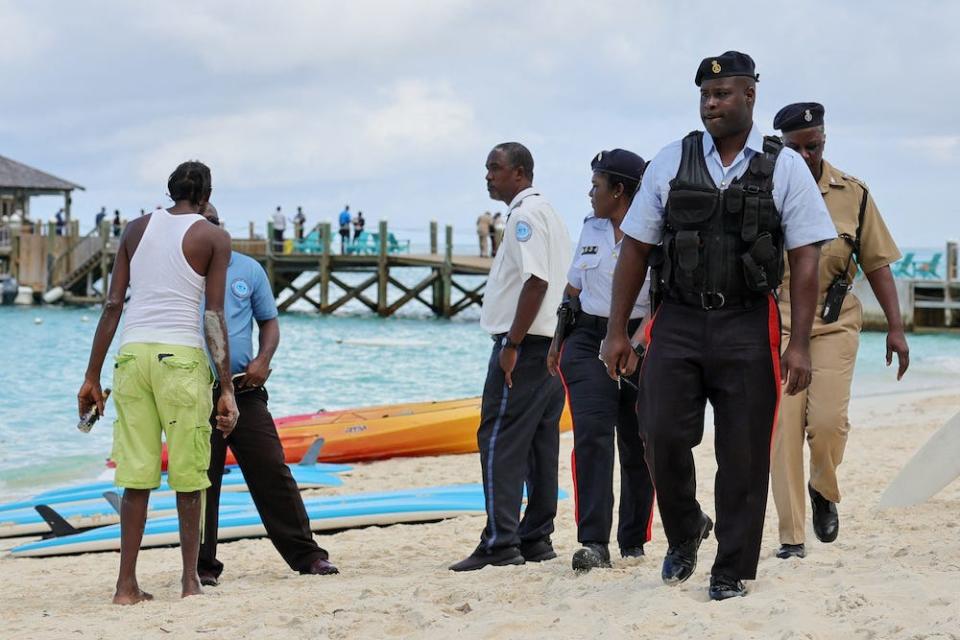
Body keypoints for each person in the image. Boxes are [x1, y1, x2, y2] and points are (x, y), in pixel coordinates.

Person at [600, 51, 836, 600]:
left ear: (750, 95)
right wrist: (616, 331)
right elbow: (635, 248)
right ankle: (685, 531)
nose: (711, 103)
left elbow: (805, 257)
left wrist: (797, 344)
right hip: (678, 320)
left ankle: (732, 569)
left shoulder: (784, 167)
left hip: (746, 323)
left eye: (723, 93)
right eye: (705, 95)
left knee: (745, 455)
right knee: (656, 430)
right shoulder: (669, 161)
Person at [76, 160, 239, 604]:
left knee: (136, 477)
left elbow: (113, 305)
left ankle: (125, 586)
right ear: (205, 195)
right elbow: (213, 315)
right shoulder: (214, 237)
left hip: (131, 358)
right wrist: (226, 386)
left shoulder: (133, 230)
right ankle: (190, 582)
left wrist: (91, 376)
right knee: (189, 475)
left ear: (170, 192)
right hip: (181, 360)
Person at [770, 103, 909, 560]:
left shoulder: (853, 194)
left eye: (815, 146)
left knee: (827, 423)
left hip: (833, 322)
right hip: (780, 319)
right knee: (783, 431)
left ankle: (822, 488)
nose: (807, 156)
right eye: (796, 148)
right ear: (780, 147)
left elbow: (877, 264)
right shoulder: (761, 189)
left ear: (824, 141)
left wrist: (896, 327)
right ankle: (791, 537)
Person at [197, 204, 338, 585]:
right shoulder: (183, 271)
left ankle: (308, 556)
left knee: (272, 470)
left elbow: (269, 321)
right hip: (194, 389)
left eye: (213, 223)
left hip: (245, 386)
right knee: (202, 477)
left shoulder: (247, 269)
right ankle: (203, 567)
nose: (209, 230)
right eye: (201, 224)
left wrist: (263, 358)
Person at [449, 142, 571, 572]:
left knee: (498, 439)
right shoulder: (550, 212)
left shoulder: (523, 216)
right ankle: (535, 536)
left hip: (527, 344)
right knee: (540, 442)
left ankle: (501, 541)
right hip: (552, 343)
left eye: (494, 168)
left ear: (519, 173)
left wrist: (512, 344)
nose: (488, 176)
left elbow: (535, 281)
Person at [547, 149, 655, 573]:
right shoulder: (591, 226)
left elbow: (661, 297)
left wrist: (638, 344)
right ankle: (594, 542)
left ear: (619, 190)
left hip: (639, 339)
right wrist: (558, 341)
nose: (590, 193)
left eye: (596, 186)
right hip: (588, 336)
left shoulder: (654, 230)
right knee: (591, 437)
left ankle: (633, 540)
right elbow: (573, 290)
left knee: (637, 441)